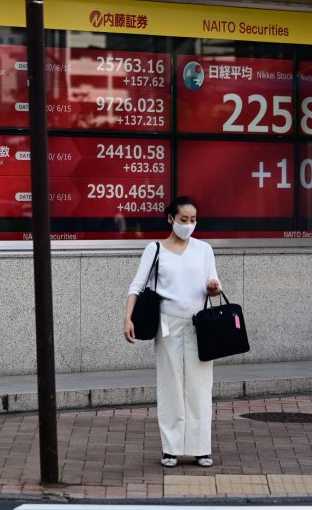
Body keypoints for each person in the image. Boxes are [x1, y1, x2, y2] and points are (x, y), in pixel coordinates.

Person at [123, 196, 222, 468]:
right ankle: (171, 448)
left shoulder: (204, 250)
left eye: (193, 220)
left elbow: (214, 284)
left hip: (198, 324)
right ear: (170, 219)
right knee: (170, 386)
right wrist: (127, 318)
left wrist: (214, 288)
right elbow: (137, 285)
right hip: (167, 324)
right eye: (183, 220)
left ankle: (201, 448)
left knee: (200, 386)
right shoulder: (155, 249)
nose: (189, 225)